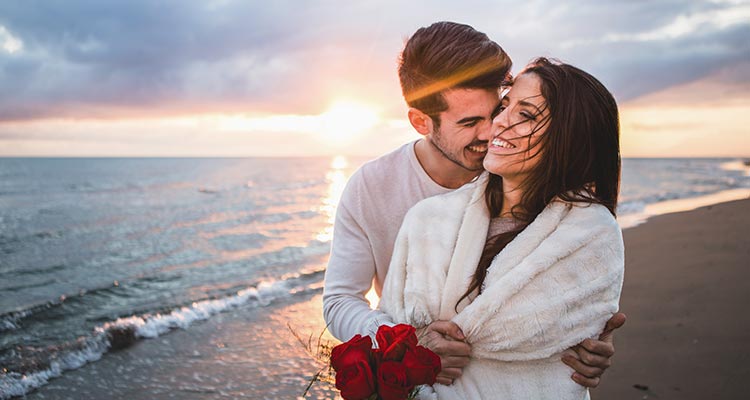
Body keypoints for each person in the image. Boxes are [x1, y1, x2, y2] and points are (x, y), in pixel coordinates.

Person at [322, 21, 625, 387]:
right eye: (469, 122)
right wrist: (404, 343)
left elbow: (552, 286)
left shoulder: (526, 181)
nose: (492, 129)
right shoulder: (373, 187)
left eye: (498, 109)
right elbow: (340, 301)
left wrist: (579, 334)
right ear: (421, 121)